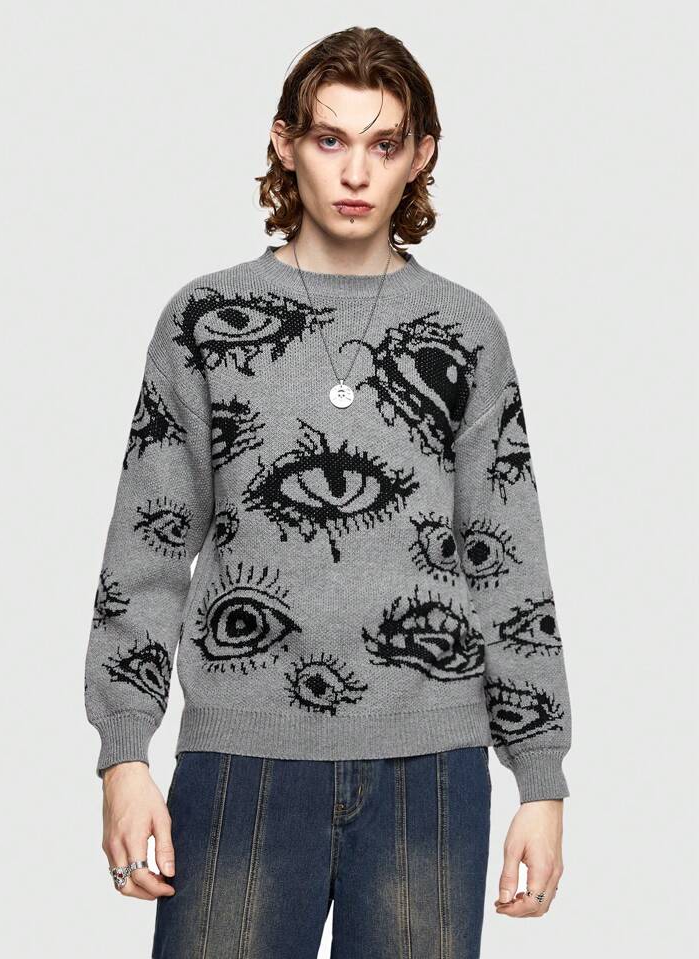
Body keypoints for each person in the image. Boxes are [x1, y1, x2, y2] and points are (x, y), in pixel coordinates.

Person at [84, 25, 572, 958]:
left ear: (421, 155)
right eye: (330, 138)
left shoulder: (465, 330)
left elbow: (505, 555)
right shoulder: (203, 320)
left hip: (431, 768)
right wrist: (123, 752)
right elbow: (148, 547)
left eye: (384, 144)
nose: (356, 172)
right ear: (285, 143)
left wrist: (540, 778)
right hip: (241, 757)